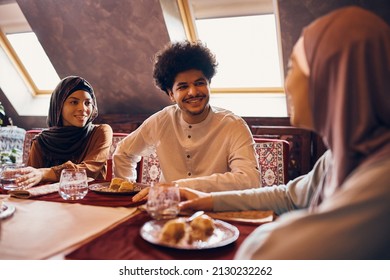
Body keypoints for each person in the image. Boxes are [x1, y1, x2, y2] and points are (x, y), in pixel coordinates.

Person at [174, 6, 390, 259]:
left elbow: (265, 255)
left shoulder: (382, 180)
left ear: (330, 79)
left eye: (292, 68)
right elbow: (287, 196)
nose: (287, 84)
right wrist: (208, 199)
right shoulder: (336, 158)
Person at [113, 41, 260, 192]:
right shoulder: (160, 121)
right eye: (183, 87)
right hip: (169, 210)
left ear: (209, 84)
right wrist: (127, 190)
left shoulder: (233, 125)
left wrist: (179, 186)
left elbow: (250, 179)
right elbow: (123, 153)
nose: (193, 92)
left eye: (199, 83)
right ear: (171, 94)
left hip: (215, 210)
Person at [16, 76, 113, 188]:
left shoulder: (101, 132)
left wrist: (44, 173)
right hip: (48, 203)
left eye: (87, 103)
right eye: (74, 102)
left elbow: (90, 170)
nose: (82, 108)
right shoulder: (41, 141)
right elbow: (31, 180)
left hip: (90, 201)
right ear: (58, 106)